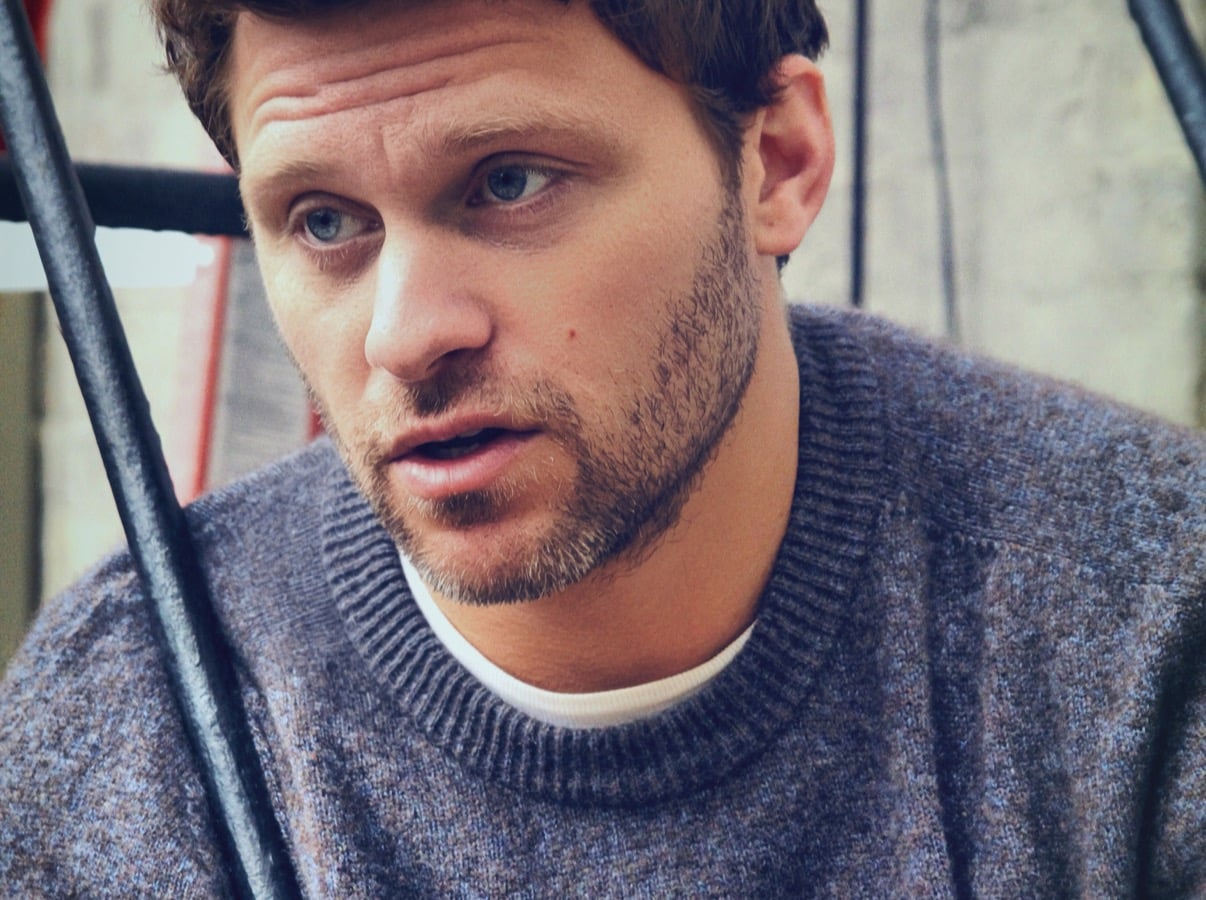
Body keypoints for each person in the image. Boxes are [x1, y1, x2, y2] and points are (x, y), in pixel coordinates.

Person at [1, 0, 1202, 894]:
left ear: (778, 162)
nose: (405, 336)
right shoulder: (138, 717)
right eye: (323, 221)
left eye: (509, 182)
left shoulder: (1138, 616)